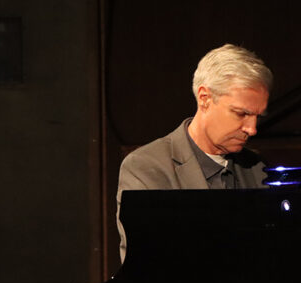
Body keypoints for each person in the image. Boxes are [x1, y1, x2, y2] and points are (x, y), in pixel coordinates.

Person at [115, 44, 273, 262]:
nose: (252, 129)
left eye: (257, 116)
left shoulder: (257, 168)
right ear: (204, 99)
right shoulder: (146, 167)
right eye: (241, 113)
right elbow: (148, 266)